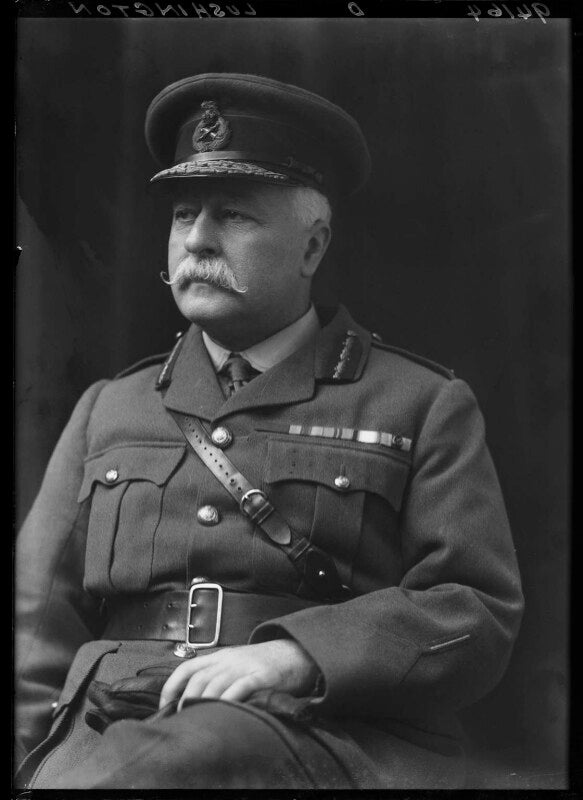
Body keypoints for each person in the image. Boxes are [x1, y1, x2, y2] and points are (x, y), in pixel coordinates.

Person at [14, 72, 524, 790]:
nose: (196, 240)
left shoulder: (419, 404)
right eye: (183, 214)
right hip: (104, 731)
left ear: (311, 247)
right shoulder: (110, 407)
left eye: (233, 216)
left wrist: (296, 656)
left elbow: (474, 611)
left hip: (316, 732)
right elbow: (34, 632)